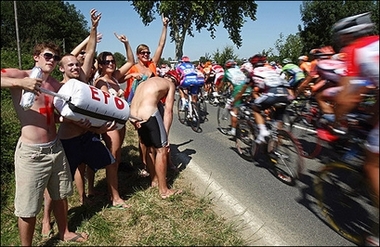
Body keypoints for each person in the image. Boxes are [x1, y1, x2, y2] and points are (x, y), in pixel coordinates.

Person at [1, 42, 89, 244]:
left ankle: (64, 232)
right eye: (48, 56)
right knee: (28, 206)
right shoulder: (19, 75)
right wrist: (20, 84)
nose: (52, 60)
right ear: (36, 57)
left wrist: (77, 118)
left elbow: (74, 96)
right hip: (32, 153)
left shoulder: (54, 85)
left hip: (55, 147)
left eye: (56, 58)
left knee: (60, 194)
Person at [330, 14, 379, 245]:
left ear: (348, 34)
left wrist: (337, 121)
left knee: (372, 164)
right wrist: (371, 118)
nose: (340, 41)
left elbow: (347, 98)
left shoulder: (355, 50)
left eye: (340, 36)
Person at [120, 14, 170, 177]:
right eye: (143, 53)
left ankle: (163, 162)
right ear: (138, 54)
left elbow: (161, 45)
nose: (147, 55)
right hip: (139, 107)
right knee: (143, 139)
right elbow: (119, 78)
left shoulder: (152, 64)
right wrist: (131, 76)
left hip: (157, 104)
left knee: (160, 136)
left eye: (147, 52)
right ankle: (145, 165)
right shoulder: (133, 67)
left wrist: (164, 26)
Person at [94, 32, 135, 209]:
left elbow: (131, 62)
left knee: (116, 158)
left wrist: (126, 43)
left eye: (112, 61)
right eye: (106, 62)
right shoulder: (101, 81)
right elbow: (105, 98)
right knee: (113, 158)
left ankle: (114, 190)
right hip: (111, 124)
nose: (110, 64)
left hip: (120, 122)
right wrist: (117, 95)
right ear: (100, 65)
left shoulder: (115, 77)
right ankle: (115, 197)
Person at [129, 70, 183, 199]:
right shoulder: (170, 84)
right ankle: (164, 190)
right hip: (148, 113)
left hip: (133, 115)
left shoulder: (147, 81)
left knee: (148, 147)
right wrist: (165, 134)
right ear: (174, 80)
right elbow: (168, 111)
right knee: (161, 150)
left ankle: (154, 180)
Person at [234, 54, 290, 143]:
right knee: (277, 122)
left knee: (255, 108)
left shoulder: (253, 73)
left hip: (272, 93)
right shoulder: (272, 70)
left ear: (253, 64)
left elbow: (243, 90)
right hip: (284, 94)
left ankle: (263, 131)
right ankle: (276, 146)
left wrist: (235, 100)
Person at [220, 59, 251, 136]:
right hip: (249, 89)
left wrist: (218, 91)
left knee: (234, 111)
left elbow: (222, 84)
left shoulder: (227, 72)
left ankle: (233, 130)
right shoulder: (239, 70)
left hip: (238, 90)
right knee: (245, 105)